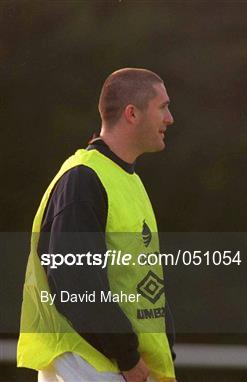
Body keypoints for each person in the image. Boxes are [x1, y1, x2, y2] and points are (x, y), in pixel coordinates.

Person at [18, 68, 177, 382]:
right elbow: (74, 278)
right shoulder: (83, 179)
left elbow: (139, 278)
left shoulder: (126, 179)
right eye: (163, 107)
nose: (169, 118)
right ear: (132, 113)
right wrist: (127, 356)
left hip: (117, 367)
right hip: (89, 366)